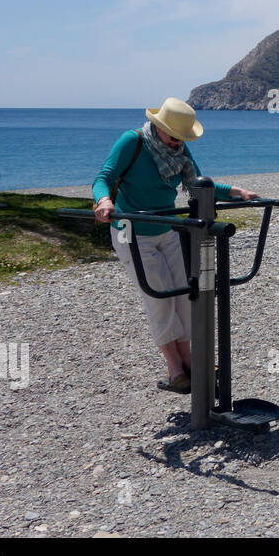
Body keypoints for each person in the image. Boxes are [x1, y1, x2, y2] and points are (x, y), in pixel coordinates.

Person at [92, 98, 260, 393]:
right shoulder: (133, 141)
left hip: (165, 229)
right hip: (132, 232)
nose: (176, 144)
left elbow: (199, 184)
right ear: (158, 127)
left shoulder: (179, 148)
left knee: (183, 294)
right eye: (172, 136)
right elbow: (103, 178)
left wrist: (237, 191)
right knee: (159, 298)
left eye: (181, 138)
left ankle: (189, 360)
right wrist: (105, 200)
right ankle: (174, 367)